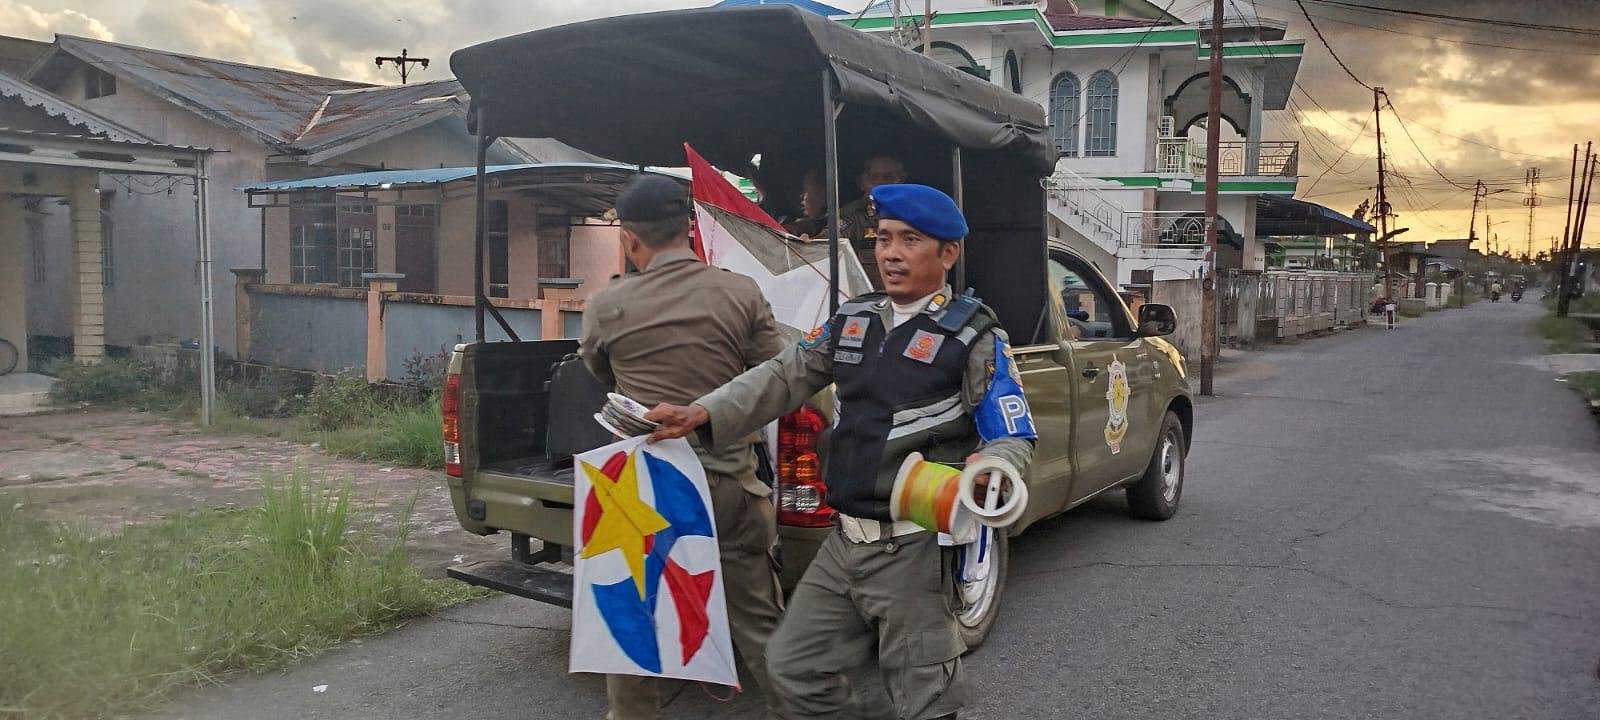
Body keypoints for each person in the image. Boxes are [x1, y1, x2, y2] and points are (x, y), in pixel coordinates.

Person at [646, 184, 1038, 720]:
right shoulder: (855, 318)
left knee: (923, 696)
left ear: (948, 253)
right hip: (842, 542)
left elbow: (1012, 433)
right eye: (883, 239)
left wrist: (994, 468)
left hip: (911, 550)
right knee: (790, 669)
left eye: (910, 240)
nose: (891, 253)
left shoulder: (973, 335)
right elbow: (784, 374)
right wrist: (703, 411)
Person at [579, 175, 787, 720]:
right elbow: (779, 374)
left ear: (629, 239)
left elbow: (599, 371)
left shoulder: (608, 305)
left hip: (642, 492)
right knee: (760, 625)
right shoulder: (740, 292)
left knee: (631, 629)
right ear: (689, 227)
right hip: (728, 487)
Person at [838, 155, 908, 289]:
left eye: (888, 177)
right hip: (867, 302)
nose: (881, 183)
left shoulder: (916, 214)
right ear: (861, 183)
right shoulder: (851, 215)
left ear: (901, 180)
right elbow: (826, 245)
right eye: (873, 178)